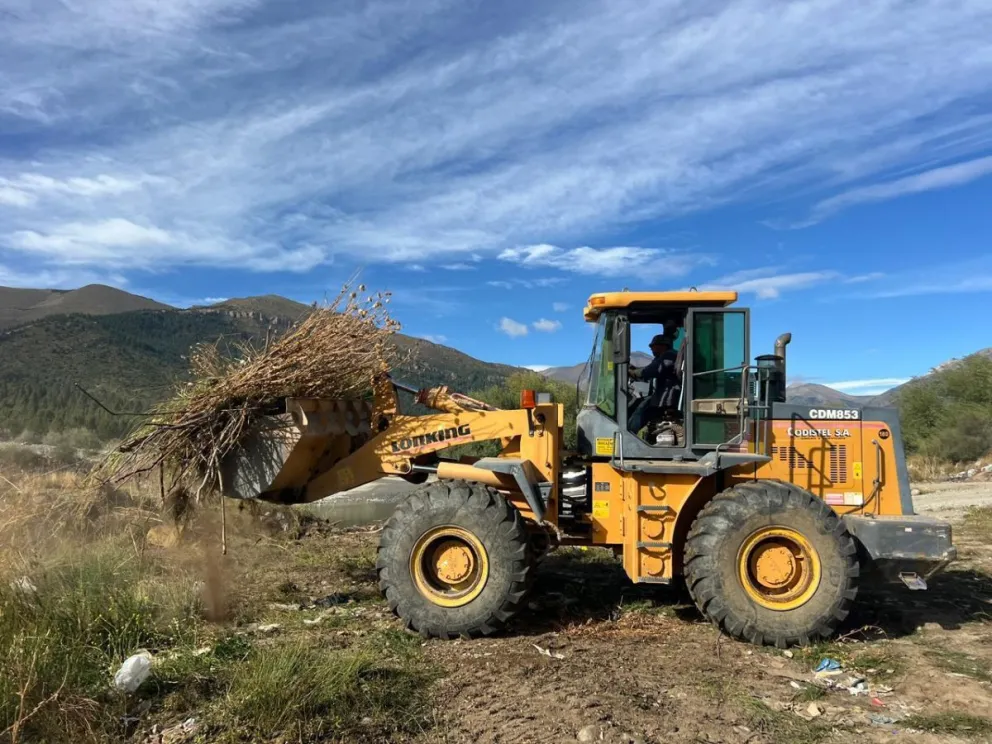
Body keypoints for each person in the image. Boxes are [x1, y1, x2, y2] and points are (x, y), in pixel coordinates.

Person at [628, 334, 679, 436]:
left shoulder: (669, 356)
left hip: (667, 397)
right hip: (663, 395)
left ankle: (629, 434)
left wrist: (634, 372)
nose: (650, 348)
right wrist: (634, 371)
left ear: (663, 345)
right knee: (638, 404)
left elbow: (653, 370)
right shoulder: (661, 358)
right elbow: (649, 370)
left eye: (653, 345)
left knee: (640, 410)